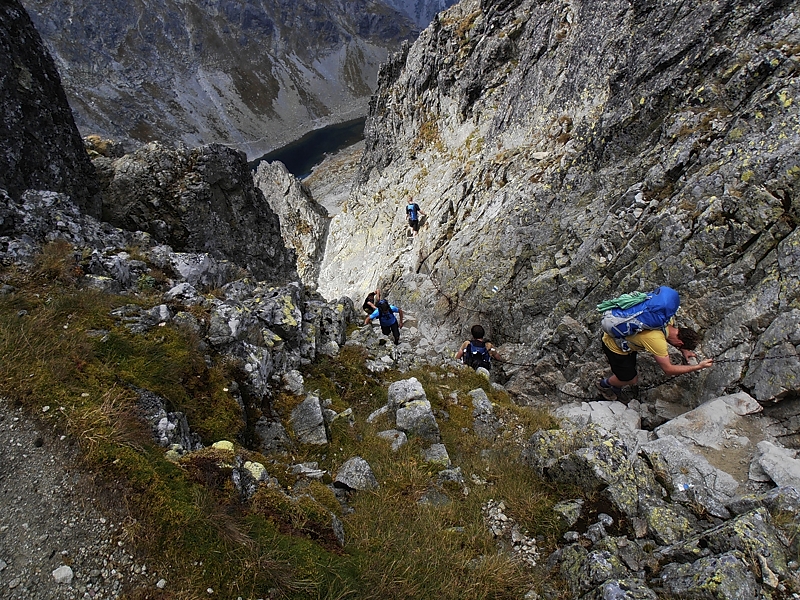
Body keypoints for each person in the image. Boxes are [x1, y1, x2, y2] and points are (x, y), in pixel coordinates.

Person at [596, 323, 714, 401]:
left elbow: (677, 340)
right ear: (680, 343)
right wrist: (698, 366)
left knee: (628, 370)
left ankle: (616, 387)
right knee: (631, 379)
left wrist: (684, 351)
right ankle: (604, 385)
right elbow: (668, 369)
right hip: (613, 346)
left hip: (625, 339)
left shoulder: (667, 321)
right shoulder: (656, 341)